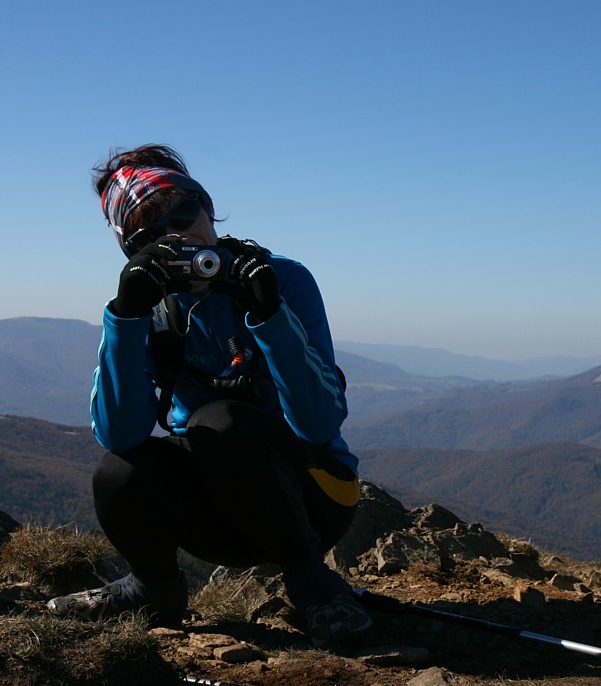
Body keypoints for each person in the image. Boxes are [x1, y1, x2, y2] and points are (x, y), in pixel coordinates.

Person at [47, 144, 373, 647]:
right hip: (221, 516)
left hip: (315, 500)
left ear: (207, 206)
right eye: (150, 231)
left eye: (183, 210)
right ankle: (153, 589)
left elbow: (320, 423)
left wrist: (266, 311)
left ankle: (314, 585)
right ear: (132, 249)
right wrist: (126, 316)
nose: (178, 233)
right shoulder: (149, 308)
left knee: (219, 421)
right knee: (118, 470)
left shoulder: (282, 279)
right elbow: (119, 434)